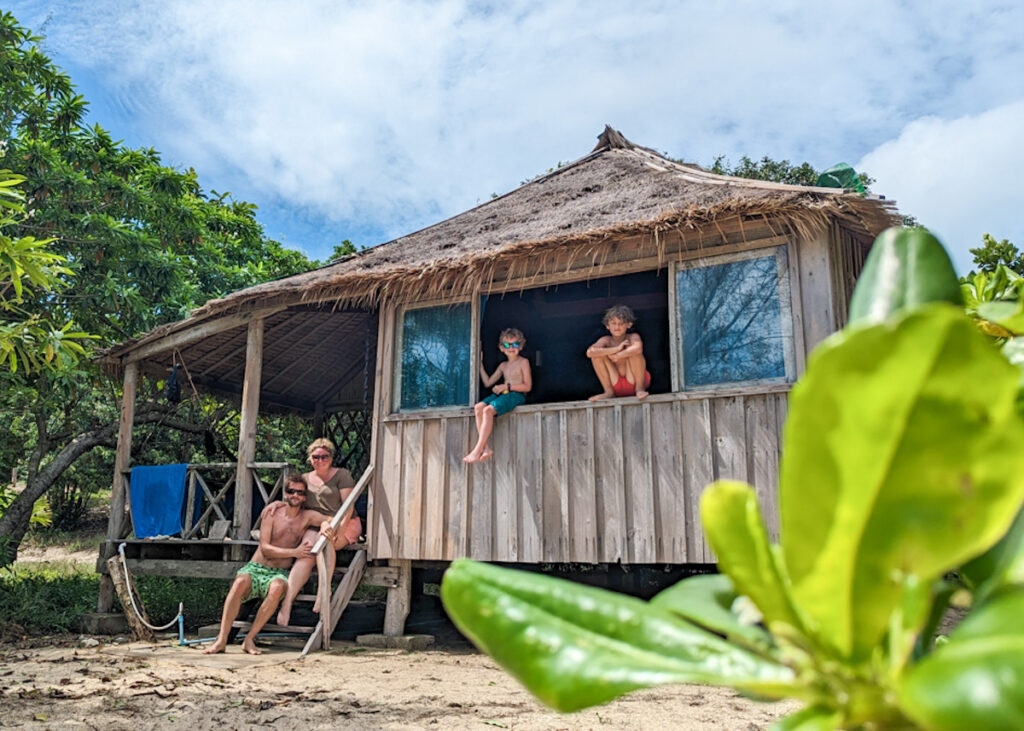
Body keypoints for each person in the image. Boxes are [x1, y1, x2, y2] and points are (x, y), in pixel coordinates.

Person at [203, 474, 329, 655]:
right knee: (239, 583)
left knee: (277, 587)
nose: (295, 495)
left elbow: (330, 518)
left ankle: (249, 639)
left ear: (304, 497)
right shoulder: (272, 513)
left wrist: (325, 525)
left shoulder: (307, 516)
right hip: (256, 568)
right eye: (291, 491)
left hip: (279, 572)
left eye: (300, 492)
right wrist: (294, 552)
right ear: (284, 494)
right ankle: (221, 639)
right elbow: (265, 548)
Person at [268, 438, 361, 628]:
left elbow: (348, 507)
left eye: (324, 456)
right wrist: (278, 503)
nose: (320, 460)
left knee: (322, 541)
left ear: (331, 457)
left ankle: (323, 590)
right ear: (310, 458)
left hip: (344, 521)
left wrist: (338, 529)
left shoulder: (342, 475)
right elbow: (294, 499)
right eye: (316, 456)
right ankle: (286, 603)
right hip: (316, 524)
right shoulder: (305, 478)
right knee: (306, 550)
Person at [464, 327, 532, 463]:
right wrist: (480, 366)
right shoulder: (503, 365)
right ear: (501, 347)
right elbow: (488, 382)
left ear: (521, 346)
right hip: (503, 394)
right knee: (479, 407)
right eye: (507, 345)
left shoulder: (523, 362)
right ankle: (486, 448)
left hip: (516, 395)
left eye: (515, 344)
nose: (511, 348)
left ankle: (478, 449)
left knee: (488, 410)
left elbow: (527, 386)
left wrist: (506, 386)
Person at [586, 304, 650, 401]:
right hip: (615, 383)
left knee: (634, 353)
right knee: (597, 355)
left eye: (621, 323)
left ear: (629, 324)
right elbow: (590, 353)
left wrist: (619, 355)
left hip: (633, 380)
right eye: (614, 323)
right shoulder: (606, 340)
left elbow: (638, 349)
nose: (617, 326)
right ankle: (608, 392)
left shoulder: (632, 336)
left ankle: (639, 389)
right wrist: (616, 349)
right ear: (607, 325)